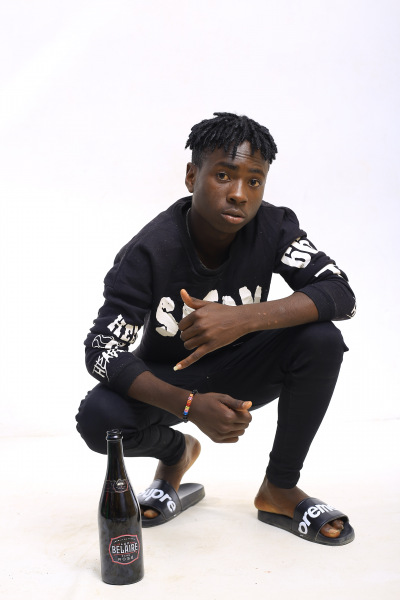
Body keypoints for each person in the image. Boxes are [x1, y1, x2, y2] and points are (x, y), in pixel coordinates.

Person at [76, 112, 356, 545]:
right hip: (174, 379)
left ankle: (280, 488)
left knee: (322, 339)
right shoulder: (149, 251)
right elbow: (101, 350)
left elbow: (340, 294)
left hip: (247, 367)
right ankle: (177, 454)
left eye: (254, 181)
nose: (240, 194)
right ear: (192, 176)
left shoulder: (274, 227)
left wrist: (241, 319)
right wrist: (189, 406)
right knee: (99, 419)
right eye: (223, 175)